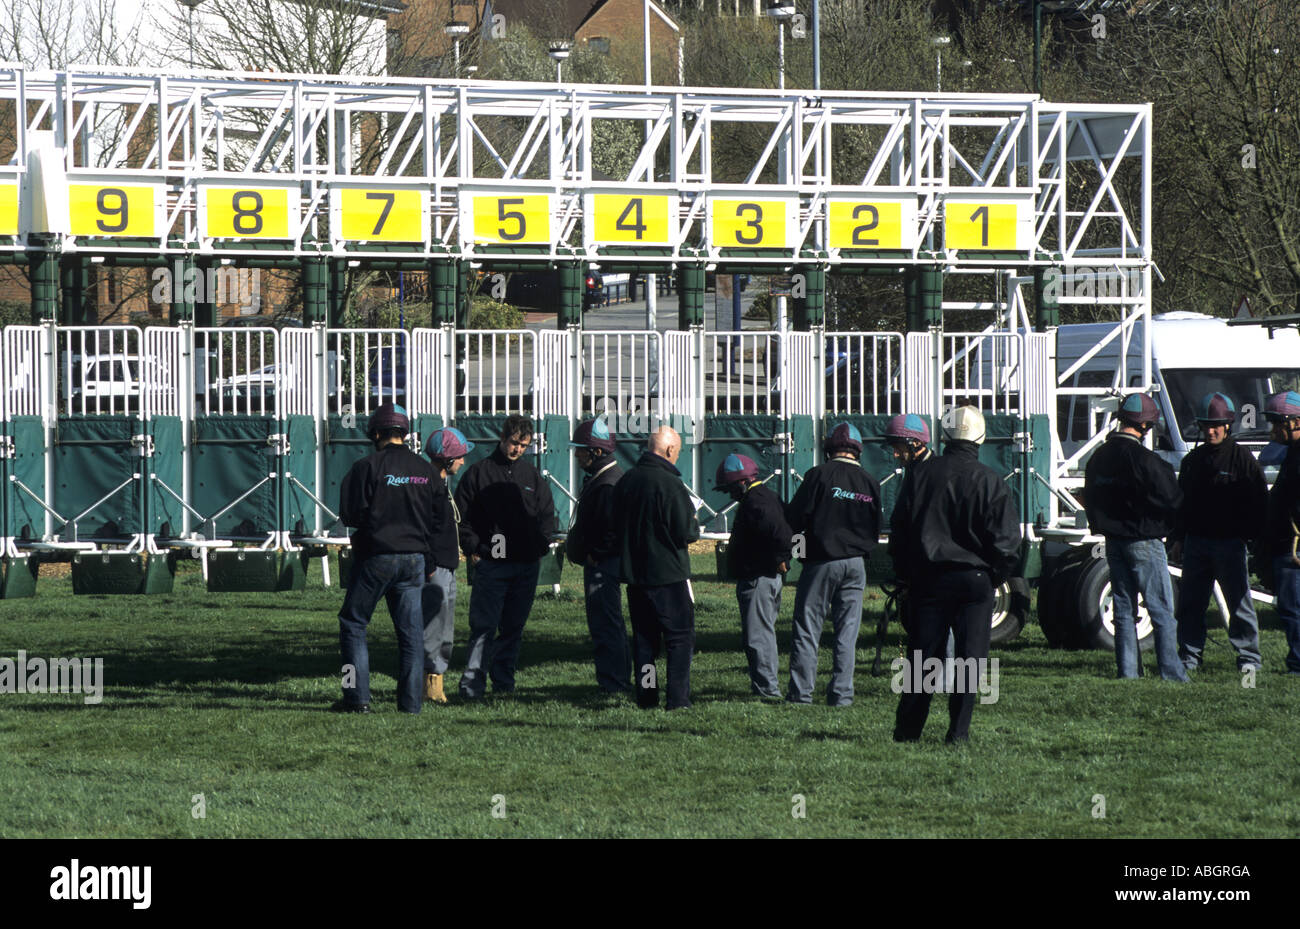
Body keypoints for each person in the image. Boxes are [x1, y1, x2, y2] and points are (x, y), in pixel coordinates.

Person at [890, 405, 1021, 743]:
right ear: (981, 437)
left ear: (945, 436)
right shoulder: (991, 480)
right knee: (969, 661)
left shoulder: (920, 475)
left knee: (922, 660)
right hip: (975, 582)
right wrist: (993, 576)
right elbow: (1007, 543)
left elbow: (901, 531)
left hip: (928, 579)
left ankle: (908, 732)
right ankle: (957, 733)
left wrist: (905, 576)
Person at [335, 402, 438, 714]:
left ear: (376, 432)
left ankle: (356, 698)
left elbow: (351, 514)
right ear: (404, 433)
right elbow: (437, 518)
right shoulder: (425, 470)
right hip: (415, 560)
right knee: (410, 634)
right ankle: (410, 704)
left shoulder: (366, 467)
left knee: (353, 623)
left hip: (377, 557)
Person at [1083, 393, 1189, 682]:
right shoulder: (1146, 460)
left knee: (1124, 609)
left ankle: (1128, 672)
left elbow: (1089, 497)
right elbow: (1172, 499)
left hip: (1113, 541)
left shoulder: (1099, 458)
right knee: (1161, 609)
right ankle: (1172, 672)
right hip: (1144, 540)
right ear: (1144, 427)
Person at [453, 414, 557, 699]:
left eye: (524, 446)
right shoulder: (478, 473)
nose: (518, 450)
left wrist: (540, 546)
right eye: (514, 443)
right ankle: (472, 686)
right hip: (492, 566)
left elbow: (548, 516)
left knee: (513, 628)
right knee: (484, 627)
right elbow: (461, 519)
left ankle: (504, 684)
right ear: (502, 438)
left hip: (525, 565)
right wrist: (475, 549)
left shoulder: (532, 477)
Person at [785, 422, 883, 706]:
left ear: (829, 449)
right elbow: (876, 528)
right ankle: (842, 694)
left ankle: (801, 693)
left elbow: (794, 519)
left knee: (808, 627)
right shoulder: (870, 482)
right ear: (858, 450)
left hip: (821, 561)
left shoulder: (818, 476)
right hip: (856, 565)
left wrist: (797, 552)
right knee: (847, 632)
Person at [1174, 392, 1266, 673]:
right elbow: (1181, 503)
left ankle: (1249, 659)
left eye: (1216, 425)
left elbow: (1260, 502)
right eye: (1206, 425)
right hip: (1196, 543)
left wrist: (1251, 538)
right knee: (1191, 604)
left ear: (1228, 425)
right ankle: (1189, 657)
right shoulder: (1192, 461)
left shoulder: (1243, 460)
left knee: (1239, 602)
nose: (1211, 430)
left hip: (1230, 544)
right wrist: (1177, 539)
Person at [612, 425, 699, 709]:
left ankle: (647, 696)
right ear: (670, 450)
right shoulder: (669, 483)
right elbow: (686, 531)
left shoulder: (627, 480)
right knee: (679, 638)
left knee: (645, 642)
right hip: (669, 575)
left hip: (636, 575)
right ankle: (677, 698)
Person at [715, 453, 793, 699]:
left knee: (758, 636)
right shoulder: (766, 497)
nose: (730, 495)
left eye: (730, 489)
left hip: (759, 577)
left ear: (741, 482)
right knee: (762, 634)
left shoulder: (756, 502)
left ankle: (767, 690)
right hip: (764, 576)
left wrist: (781, 558)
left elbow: (781, 535)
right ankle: (765, 686)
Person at [566, 416, 631, 694]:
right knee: (606, 623)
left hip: (604, 566)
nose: (577, 454)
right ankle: (612, 680)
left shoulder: (607, 484)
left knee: (606, 624)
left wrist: (595, 554)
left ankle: (613, 683)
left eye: (581, 449)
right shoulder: (606, 478)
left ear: (597, 452)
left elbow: (612, 531)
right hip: (601, 563)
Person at [421, 427, 474, 704]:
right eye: (459, 457)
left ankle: (436, 678)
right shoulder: (430, 484)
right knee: (434, 626)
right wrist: (430, 566)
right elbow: (424, 529)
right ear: (445, 459)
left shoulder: (441, 483)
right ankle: (430, 683)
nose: (463, 462)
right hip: (437, 566)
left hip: (446, 565)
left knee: (445, 626)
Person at [1263, 390, 1300, 676]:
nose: (1273, 429)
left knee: (1292, 607)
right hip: (1288, 543)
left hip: (1294, 546)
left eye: (1278, 422)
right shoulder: (1291, 453)